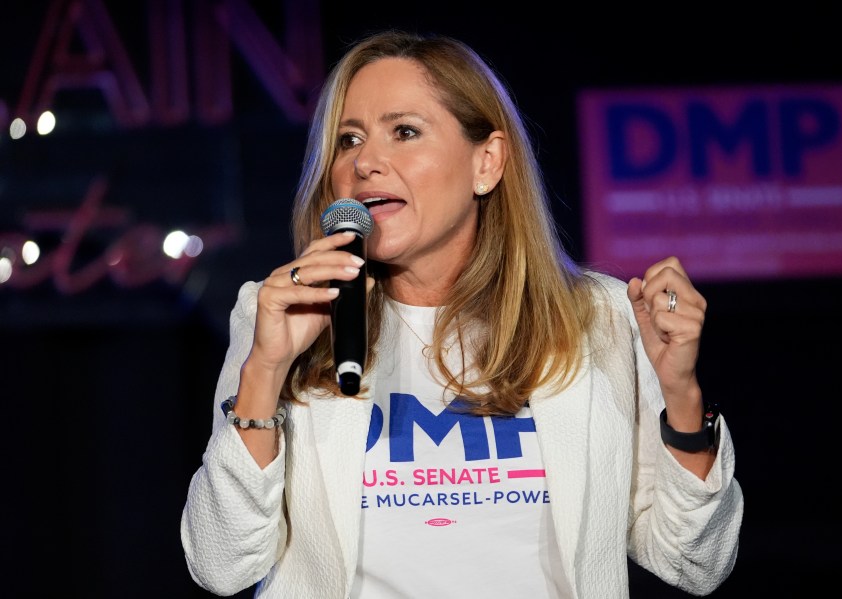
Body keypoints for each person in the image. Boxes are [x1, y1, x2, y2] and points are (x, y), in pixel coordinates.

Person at [180, 29, 743, 598]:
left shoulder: (597, 317)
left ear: (487, 162)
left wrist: (681, 393)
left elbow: (694, 562)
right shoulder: (278, 314)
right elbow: (222, 563)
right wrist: (265, 372)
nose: (366, 162)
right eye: (348, 140)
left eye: (404, 132)